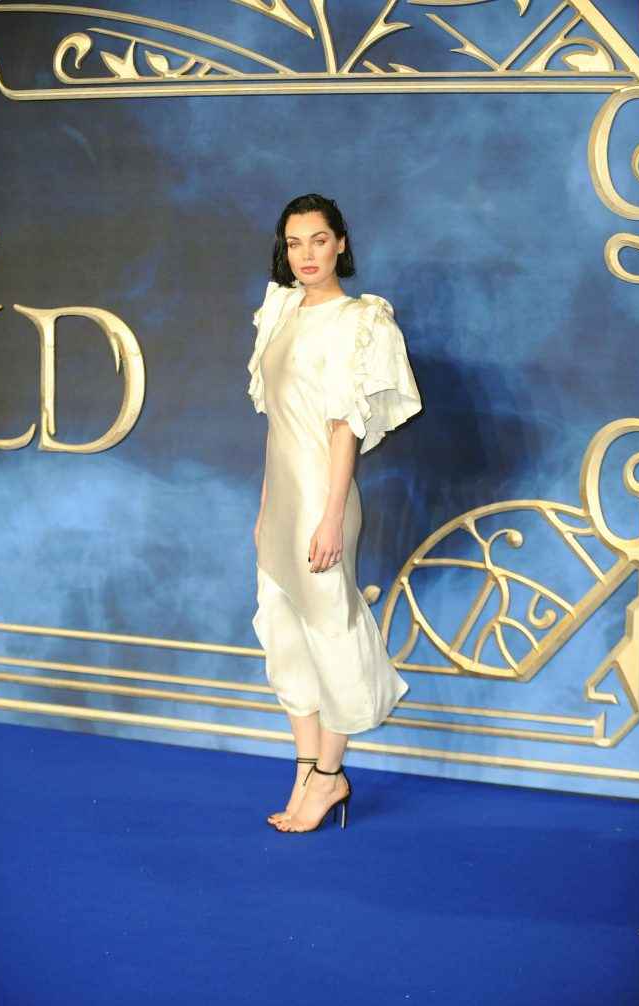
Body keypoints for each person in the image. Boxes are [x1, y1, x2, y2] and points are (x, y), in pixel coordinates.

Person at [247, 193, 422, 833]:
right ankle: (304, 769)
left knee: (331, 631)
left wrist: (329, 517)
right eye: (294, 243)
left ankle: (330, 775)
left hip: (324, 502)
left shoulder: (359, 321)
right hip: (281, 501)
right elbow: (277, 427)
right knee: (282, 625)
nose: (307, 255)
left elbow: (344, 429)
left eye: (318, 240)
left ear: (340, 243)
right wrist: (265, 508)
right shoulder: (280, 310)